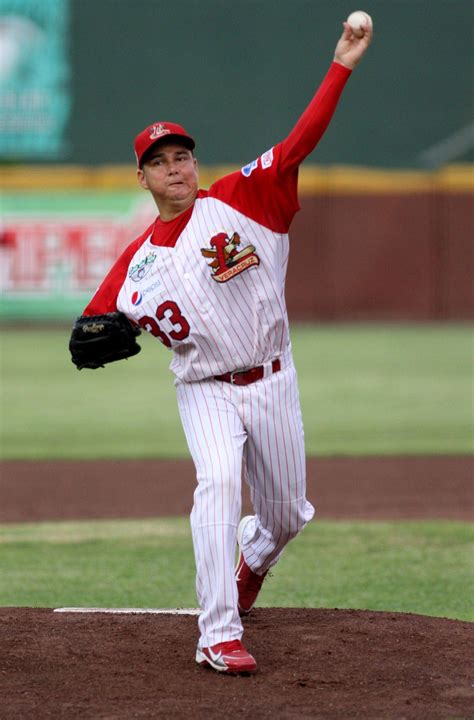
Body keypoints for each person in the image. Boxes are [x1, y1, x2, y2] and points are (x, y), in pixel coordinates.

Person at [78, 20, 372, 674]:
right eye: (159, 161)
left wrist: (340, 66)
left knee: (288, 516)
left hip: (274, 379)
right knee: (215, 484)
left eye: (181, 155)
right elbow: (93, 325)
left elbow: (298, 143)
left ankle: (254, 559)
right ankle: (218, 634)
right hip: (204, 390)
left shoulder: (245, 200)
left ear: (194, 162)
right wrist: (95, 335)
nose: (174, 167)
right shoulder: (134, 265)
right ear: (143, 177)